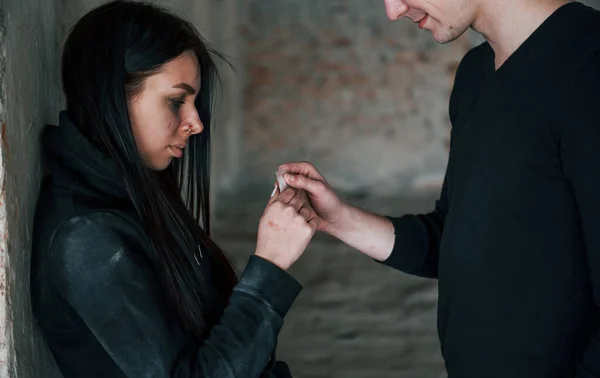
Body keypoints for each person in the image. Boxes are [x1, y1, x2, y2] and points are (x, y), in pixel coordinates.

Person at [279, 0, 600, 376]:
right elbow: (457, 238)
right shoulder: (475, 73)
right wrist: (338, 219)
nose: (393, 10)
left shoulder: (589, 67)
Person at [29, 1, 319, 377]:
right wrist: (270, 265)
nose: (196, 123)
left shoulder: (132, 193)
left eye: (193, 102)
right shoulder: (87, 240)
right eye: (175, 101)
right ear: (113, 97)